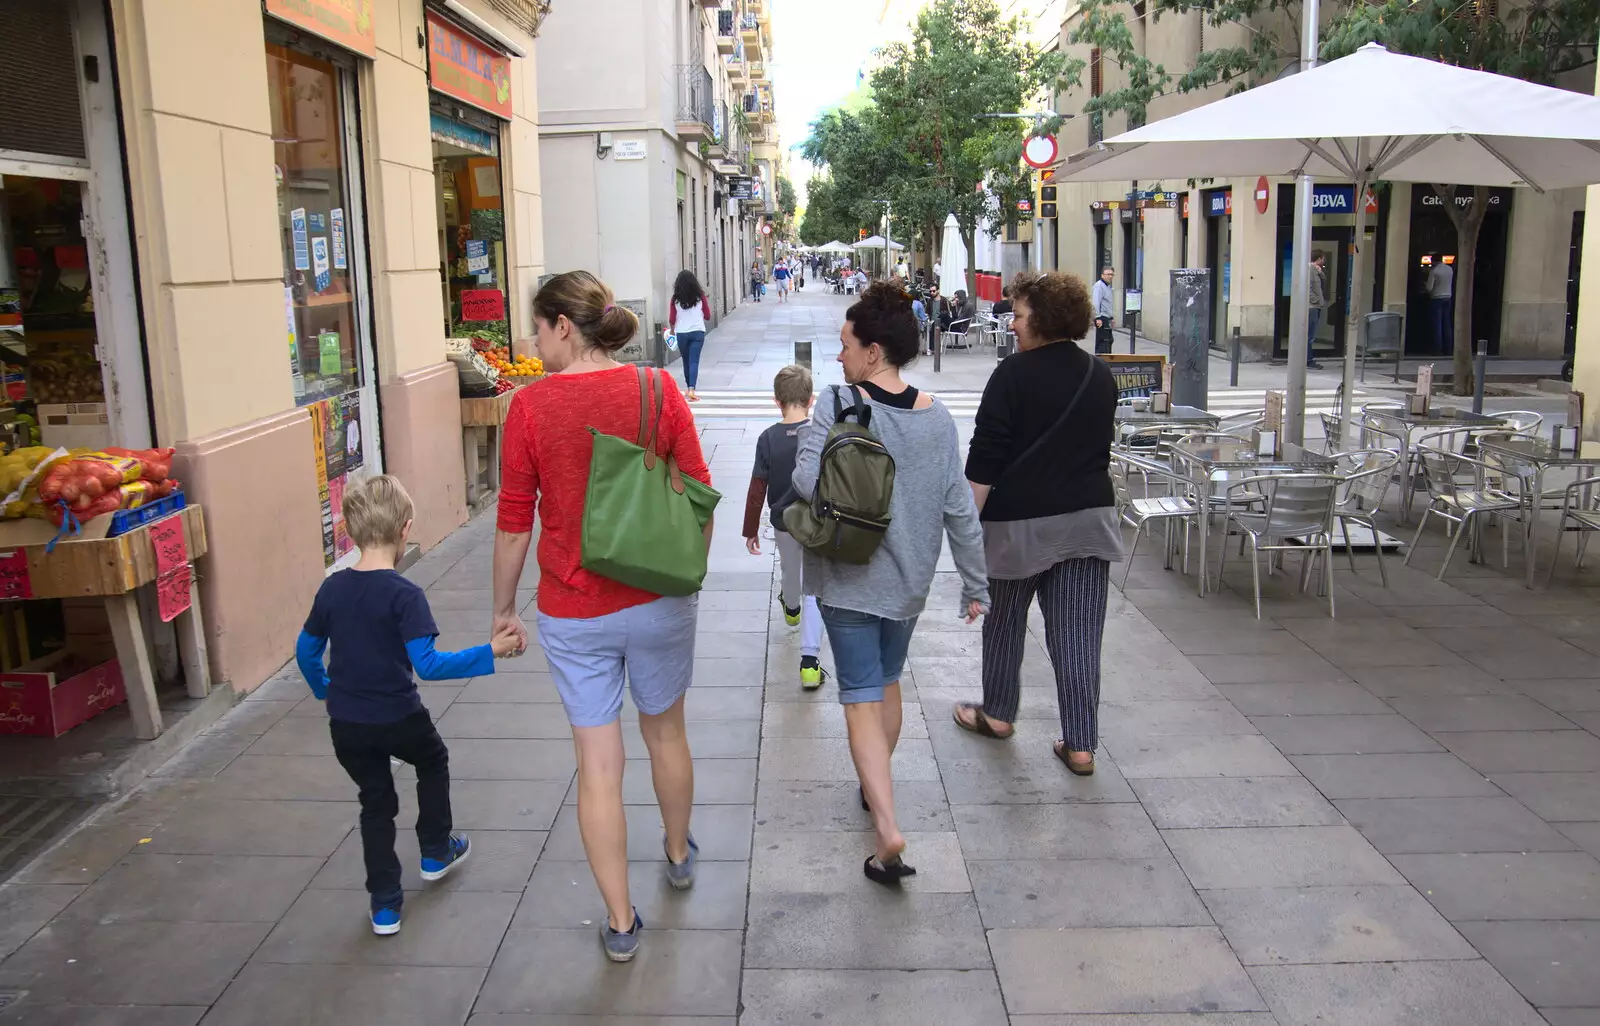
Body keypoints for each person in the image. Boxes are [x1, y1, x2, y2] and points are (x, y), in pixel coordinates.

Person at [492, 270, 712, 963]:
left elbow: (511, 527)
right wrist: (685, 578)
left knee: (598, 765)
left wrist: (502, 607)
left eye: (537, 326)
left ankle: (620, 921)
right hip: (656, 598)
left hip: (572, 607)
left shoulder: (528, 409)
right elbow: (699, 489)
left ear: (564, 325)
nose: (533, 341)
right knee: (667, 732)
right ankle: (677, 852)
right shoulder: (656, 389)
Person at [792, 283, 988, 885]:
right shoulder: (937, 417)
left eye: (846, 344)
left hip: (850, 576)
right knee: (887, 680)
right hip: (909, 585)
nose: (839, 356)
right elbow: (960, 507)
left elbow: (805, 482)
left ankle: (887, 825)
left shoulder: (836, 402)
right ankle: (875, 789)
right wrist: (975, 584)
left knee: (858, 695)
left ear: (873, 351)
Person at [296, 475, 522, 936]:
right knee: (432, 759)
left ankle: (385, 907)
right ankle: (436, 849)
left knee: (375, 804)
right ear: (405, 529)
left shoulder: (332, 589)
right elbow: (430, 667)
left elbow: (306, 651)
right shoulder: (405, 595)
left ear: (350, 530)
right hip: (399, 717)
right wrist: (491, 651)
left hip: (348, 725)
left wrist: (326, 691)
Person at [952, 272, 1121, 777]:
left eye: (1020, 314)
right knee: (1079, 638)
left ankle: (999, 714)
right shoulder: (1099, 375)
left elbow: (984, 461)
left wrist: (964, 529)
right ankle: (1081, 745)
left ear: (1043, 320)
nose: (1013, 323)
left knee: (1003, 626)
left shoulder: (1012, 375)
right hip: (1089, 524)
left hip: (1017, 528)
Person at [744, 365, 826, 690]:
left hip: (783, 523)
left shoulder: (767, 438)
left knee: (791, 573)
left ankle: (790, 607)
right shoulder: (819, 435)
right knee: (815, 587)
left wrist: (751, 529)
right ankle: (809, 662)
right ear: (811, 399)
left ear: (777, 401)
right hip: (818, 522)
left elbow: (756, 488)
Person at [670, 270, 710, 403]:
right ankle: (692, 389)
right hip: (698, 332)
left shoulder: (675, 299)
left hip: (682, 333)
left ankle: (688, 388)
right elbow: (708, 315)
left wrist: (671, 330)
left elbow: (672, 318)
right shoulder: (700, 296)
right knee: (694, 361)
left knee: (686, 361)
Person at [1426, 253, 1454, 355]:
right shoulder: (1449, 269)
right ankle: (1449, 349)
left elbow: (1429, 288)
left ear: (1433, 261)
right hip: (1448, 298)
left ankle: (1437, 349)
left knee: (1437, 325)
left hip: (1436, 298)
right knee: (1447, 324)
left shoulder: (1434, 271)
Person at [1307, 252, 1327, 369]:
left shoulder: (1316, 270)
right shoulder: (1310, 270)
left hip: (1316, 306)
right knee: (1310, 335)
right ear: (1319, 258)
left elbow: (1324, 282)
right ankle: (1308, 360)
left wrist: (1321, 272)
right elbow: (1308, 288)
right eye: (1323, 259)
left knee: (1311, 334)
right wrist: (1316, 300)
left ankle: (1309, 359)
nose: (1324, 261)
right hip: (1312, 307)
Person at [1091, 266, 1115, 355]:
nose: (1110, 276)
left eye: (1112, 274)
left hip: (1107, 318)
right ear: (1102, 275)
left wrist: (1112, 318)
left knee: (1109, 341)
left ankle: (1107, 362)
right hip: (1102, 318)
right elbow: (1096, 303)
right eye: (1108, 274)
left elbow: (1108, 304)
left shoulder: (1108, 287)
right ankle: (1100, 363)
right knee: (1103, 343)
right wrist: (1097, 318)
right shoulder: (1099, 286)